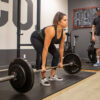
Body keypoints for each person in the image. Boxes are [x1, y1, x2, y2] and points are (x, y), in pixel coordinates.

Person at [30, 12, 68, 86]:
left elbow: (61, 48)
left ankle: (52, 76)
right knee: (43, 54)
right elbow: (45, 48)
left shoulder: (63, 34)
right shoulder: (51, 30)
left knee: (56, 54)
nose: (67, 22)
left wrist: (61, 62)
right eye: (65, 20)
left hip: (45, 39)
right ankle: (43, 78)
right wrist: (43, 66)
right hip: (36, 38)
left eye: (66, 20)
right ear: (59, 21)